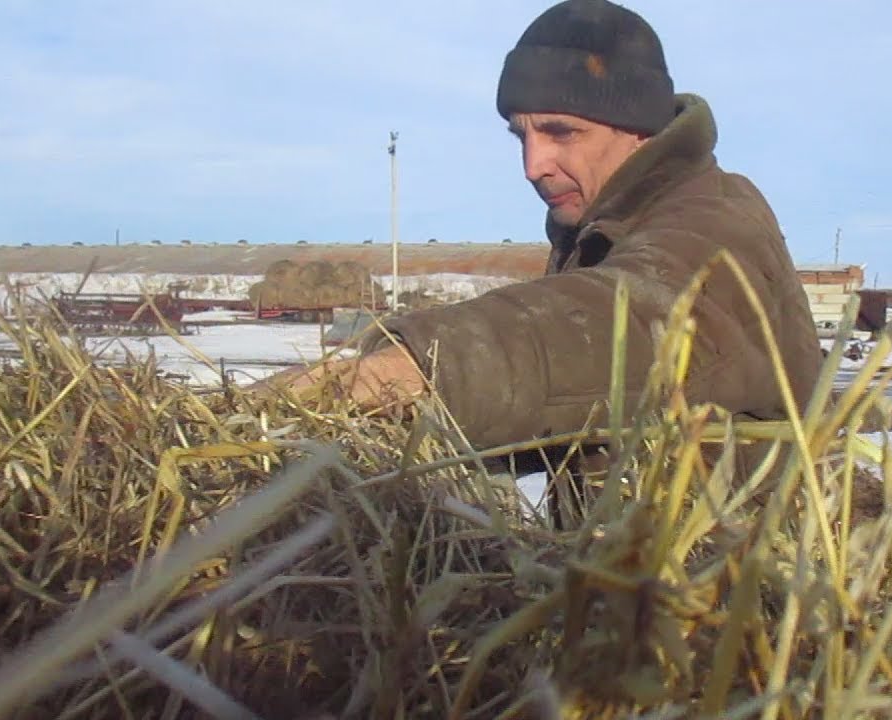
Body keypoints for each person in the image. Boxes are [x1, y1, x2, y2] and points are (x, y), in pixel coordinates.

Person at [256, 0, 822, 512]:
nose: (533, 165)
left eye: (560, 132)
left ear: (638, 127)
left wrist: (410, 372)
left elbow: (616, 322)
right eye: (520, 135)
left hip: (720, 610)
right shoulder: (604, 232)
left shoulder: (716, 220)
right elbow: (575, 414)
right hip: (620, 597)